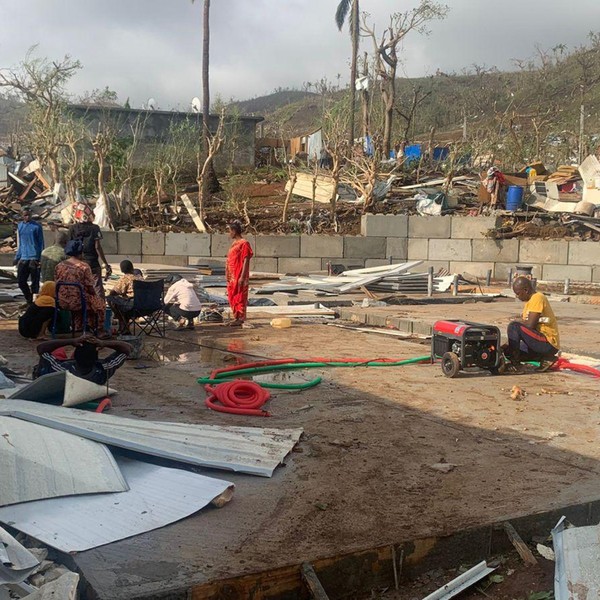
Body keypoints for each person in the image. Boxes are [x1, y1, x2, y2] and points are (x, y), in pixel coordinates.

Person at [54, 239, 108, 337]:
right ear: (80, 252)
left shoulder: (59, 266)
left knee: (87, 301)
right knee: (100, 304)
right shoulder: (84, 267)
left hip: (61, 301)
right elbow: (90, 288)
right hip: (78, 301)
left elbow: (56, 282)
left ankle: (78, 328)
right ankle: (99, 330)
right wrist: (95, 296)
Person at [505, 277, 560, 372]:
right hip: (538, 342)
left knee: (514, 326)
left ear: (526, 290)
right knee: (507, 351)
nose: (517, 297)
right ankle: (545, 358)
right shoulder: (529, 303)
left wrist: (517, 325)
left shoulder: (537, 298)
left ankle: (516, 365)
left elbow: (530, 325)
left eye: (518, 294)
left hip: (547, 342)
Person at [34, 334, 131, 385]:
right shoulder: (103, 369)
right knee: (60, 354)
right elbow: (128, 348)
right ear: (96, 358)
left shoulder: (60, 370)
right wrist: (103, 343)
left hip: (66, 371)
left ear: (75, 356)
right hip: (87, 372)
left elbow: (41, 348)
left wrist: (71, 341)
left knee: (58, 351)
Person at [69, 204, 112, 298]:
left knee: (79, 287)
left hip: (78, 263)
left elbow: (70, 247)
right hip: (92, 263)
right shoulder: (95, 228)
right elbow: (97, 247)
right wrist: (105, 263)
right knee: (97, 288)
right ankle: (100, 308)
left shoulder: (73, 228)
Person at [225, 220, 253, 326]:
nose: (229, 233)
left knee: (240, 296)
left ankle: (241, 318)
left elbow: (246, 259)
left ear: (234, 231)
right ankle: (236, 317)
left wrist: (242, 276)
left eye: (230, 231)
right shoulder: (234, 244)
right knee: (233, 295)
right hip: (232, 276)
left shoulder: (244, 243)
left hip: (239, 275)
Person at [14, 209, 44, 304]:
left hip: (34, 257)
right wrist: (17, 257)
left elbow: (41, 243)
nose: (27, 217)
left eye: (29, 215)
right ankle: (29, 299)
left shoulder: (37, 226)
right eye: (25, 215)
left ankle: (34, 302)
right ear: (22, 216)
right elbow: (20, 243)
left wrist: (39, 258)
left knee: (35, 283)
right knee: (21, 281)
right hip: (23, 257)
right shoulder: (20, 226)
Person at [107, 260, 142, 335]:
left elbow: (113, 292)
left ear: (122, 270)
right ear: (132, 267)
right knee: (123, 303)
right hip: (146, 306)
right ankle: (124, 325)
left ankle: (122, 322)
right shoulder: (140, 278)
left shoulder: (125, 279)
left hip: (133, 307)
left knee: (110, 299)